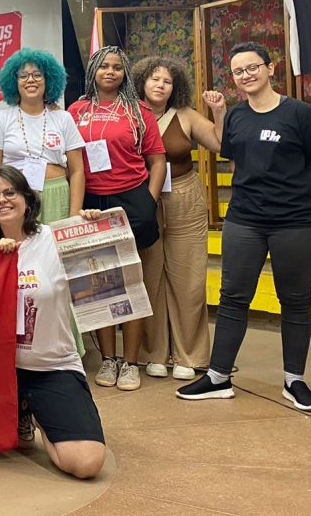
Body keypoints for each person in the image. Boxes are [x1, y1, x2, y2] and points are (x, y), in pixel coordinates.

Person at [177, 42, 311, 411]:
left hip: (295, 223)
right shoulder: (239, 116)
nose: (246, 75)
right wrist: (219, 113)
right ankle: (218, 376)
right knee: (233, 297)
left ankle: (294, 380)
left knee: (295, 301)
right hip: (244, 220)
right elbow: (228, 151)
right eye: (238, 71)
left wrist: (295, 199)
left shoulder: (300, 114)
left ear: (270, 68)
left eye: (252, 67)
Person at [0, 166, 105, 480]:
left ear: (27, 198)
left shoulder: (55, 239)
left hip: (51, 366)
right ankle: (17, 407)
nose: (2, 200)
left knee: (86, 463)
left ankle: (35, 411)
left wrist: (94, 229)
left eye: (10, 192)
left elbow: (101, 275)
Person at [68, 46, 166, 392]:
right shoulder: (76, 111)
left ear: (125, 74)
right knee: (99, 285)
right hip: (90, 201)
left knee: (129, 283)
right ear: (93, 70)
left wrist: (147, 200)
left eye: (117, 68)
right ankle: (109, 359)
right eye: (104, 67)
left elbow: (157, 160)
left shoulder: (139, 111)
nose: (110, 72)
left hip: (131, 199)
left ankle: (131, 362)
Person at [132, 56, 226, 381]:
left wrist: (218, 112)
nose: (161, 85)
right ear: (142, 81)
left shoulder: (185, 115)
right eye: (155, 79)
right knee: (149, 275)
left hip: (184, 197)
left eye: (167, 81)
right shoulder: (131, 115)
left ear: (176, 87)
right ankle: (153, 352)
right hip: (143, 200)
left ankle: (190, 354)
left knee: (189, 277)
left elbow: (219, 143)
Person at [0, 48, 86, 223]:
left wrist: (75, 213)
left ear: (49, 80)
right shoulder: (0, 118)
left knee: (56, 250)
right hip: (14, 197)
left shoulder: (63, 118)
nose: (30, 80)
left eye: (37, 75)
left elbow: (77, 171)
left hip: (57, 194)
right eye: (23, 75)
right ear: (14, 81)